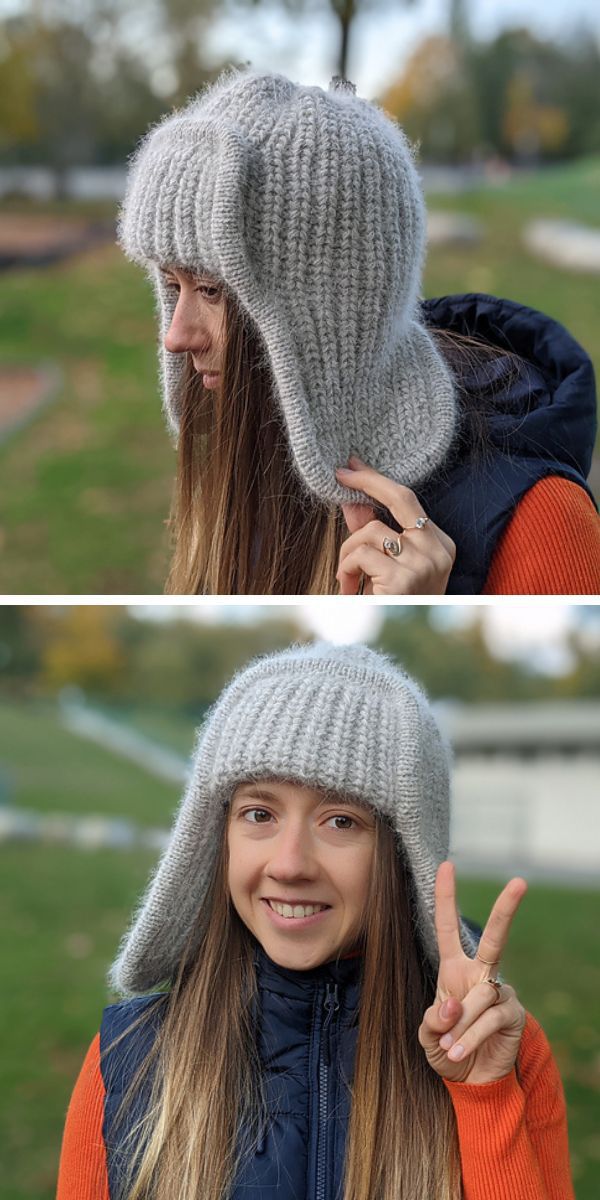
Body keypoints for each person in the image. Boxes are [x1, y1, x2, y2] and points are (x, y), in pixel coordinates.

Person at [56, 641, 574, 1200]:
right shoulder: (130, 1057)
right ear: (215, 836)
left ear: (404, 855)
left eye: (341, 821)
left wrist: (485, 1098)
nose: (290, 864)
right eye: (259, 813)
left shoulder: (497, 1050)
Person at [116, 66, 600, 596]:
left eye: (211, 291)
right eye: (171, 285)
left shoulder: (547, 530)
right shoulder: (251, 461)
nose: (175, 336)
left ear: (325, 309)